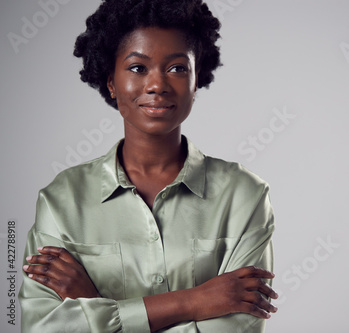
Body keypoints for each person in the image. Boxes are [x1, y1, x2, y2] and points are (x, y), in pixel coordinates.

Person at [19, 0, 278, 332]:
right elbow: (42, 328)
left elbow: (234, 329)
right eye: (138, 68)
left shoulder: (244, 195)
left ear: (197, 80)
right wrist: (193, 302)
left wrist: (95, 305)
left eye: (177, 68)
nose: (158, 85)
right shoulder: (60, 200)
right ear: (111, 81)